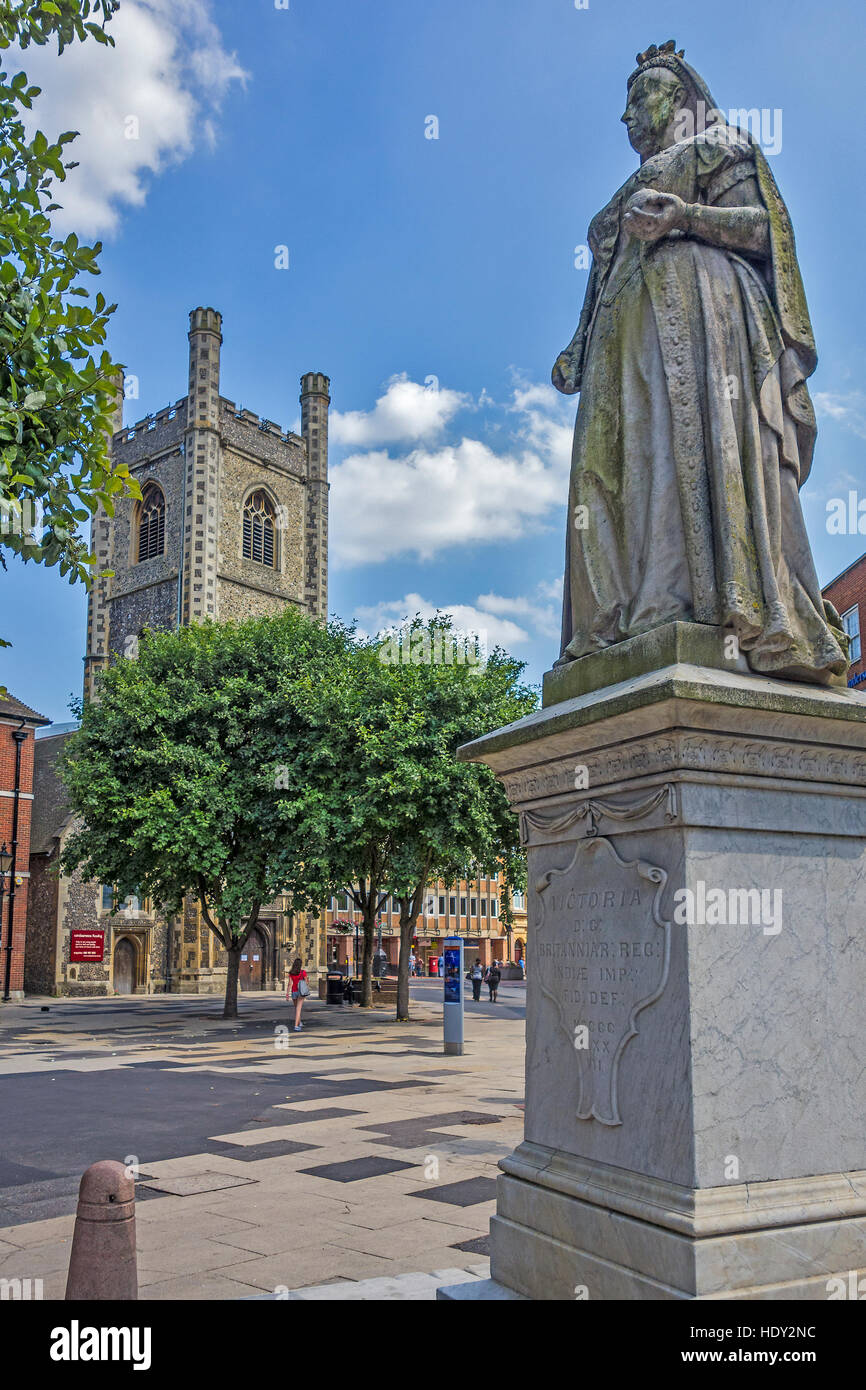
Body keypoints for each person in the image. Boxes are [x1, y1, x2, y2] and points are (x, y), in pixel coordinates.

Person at [552, 42, 848, 685]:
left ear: (677, 100)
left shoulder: (718, 148)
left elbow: (762, 230)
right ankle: (618, 615)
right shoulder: (626, 189)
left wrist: (687, 216)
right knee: (609, 467)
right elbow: (602, 277)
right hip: (621, 332)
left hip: (697, 316)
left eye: (638, 99)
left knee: (683, 449)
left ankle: (696, 602)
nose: (626, 117)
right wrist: (578, 342)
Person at [287, 955, 308, 1031]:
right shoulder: (303, 972)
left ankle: (299, 1022)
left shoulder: (291, 973)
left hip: (293, 992)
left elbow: (289, 984)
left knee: (296, 1008)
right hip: (300, 992)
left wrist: (287, 994)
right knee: (298, 1010)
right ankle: (296, 1026)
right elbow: (306, 982)